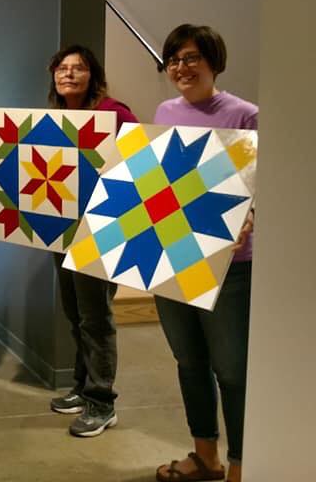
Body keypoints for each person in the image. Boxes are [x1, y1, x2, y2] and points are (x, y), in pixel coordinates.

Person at [153, 25, 257, 482]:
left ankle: (241, 465)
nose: (181, 67)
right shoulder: (164, 110)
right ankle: (205, 457)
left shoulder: (243, 115)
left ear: (214, 60)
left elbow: (262, 185)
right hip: (172, 255)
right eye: (174, 59)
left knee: (232, 370)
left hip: (230, 265)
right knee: (189, 361)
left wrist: (252, 214)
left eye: (191, 57)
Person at [46, 44, 138, 437]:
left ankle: (102, 402)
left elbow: (141, 162)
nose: (68, 74)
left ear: (92, 74)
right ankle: (83, 389)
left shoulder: (114, 114)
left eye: (78, 68)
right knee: (75, 314)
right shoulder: (55, 117)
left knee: (96, 318)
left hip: (101, 232)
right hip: (61, 230)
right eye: (62, 68)